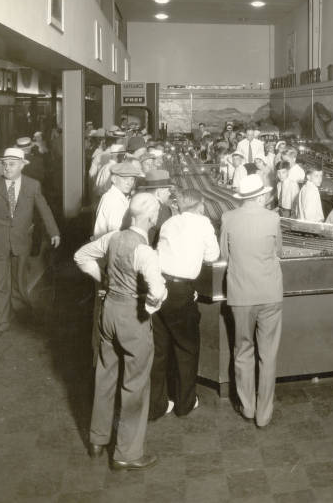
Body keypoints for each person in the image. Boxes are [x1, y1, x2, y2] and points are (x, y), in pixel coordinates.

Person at [74, 193, 166, 471]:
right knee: (135, 385)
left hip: (108, 311)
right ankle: (127, 452)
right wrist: (152, 304)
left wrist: (102, 278)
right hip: (131, 318)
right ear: (152, 218)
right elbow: (157, 291)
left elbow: (81, 256)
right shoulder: (145, 251)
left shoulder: (112, 237)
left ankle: (97, 440)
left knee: (105, 375)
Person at [0, 147, 61, 339]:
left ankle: (21, 314)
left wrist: (53, 231)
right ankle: (1, 321)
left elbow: (44, 209)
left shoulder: (32, 185)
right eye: (4, 164)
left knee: (18, 281)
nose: (7, 168)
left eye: (12, 164)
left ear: (22, 165)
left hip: (20, 241)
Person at [150, 189, 219, 420]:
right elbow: (212, 256)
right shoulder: (203, 223)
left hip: (159, 288)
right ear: (199, 206)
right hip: (182, 291)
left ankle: (157, 404)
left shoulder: (168, 223)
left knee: (159, 350)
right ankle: (185, 403)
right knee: (187, 348)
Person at [220, 175, 283, 428]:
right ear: (260, 196)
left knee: (243, 350)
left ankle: (247, 407)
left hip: (241, 294)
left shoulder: (228, 218)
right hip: (270, 294)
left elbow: (223, 253)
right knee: (268, 355)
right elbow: (279, 251)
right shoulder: (273, 218)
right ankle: (264, 413)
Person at [93, 161, 143, 239]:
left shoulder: (118, 196)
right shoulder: (113, 200)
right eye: (125, 179)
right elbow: (116, 233)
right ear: (114, 179)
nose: (129, 183)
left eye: (132, 179)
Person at [137, 169, 176, 246]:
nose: (169, 193)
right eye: (168, 190)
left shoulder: (138, 203)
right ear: (158, 192)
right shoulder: (164, 210)